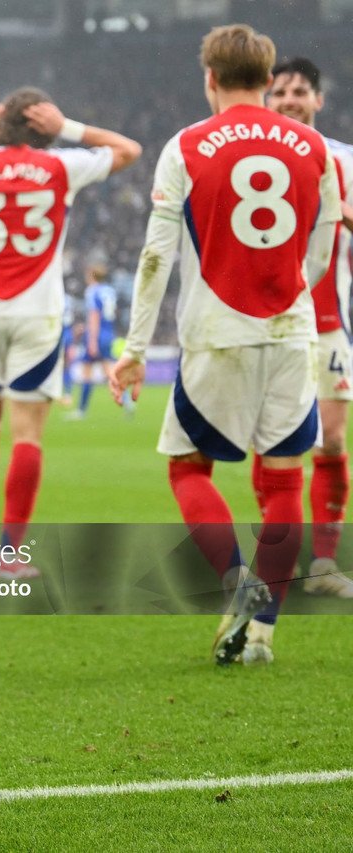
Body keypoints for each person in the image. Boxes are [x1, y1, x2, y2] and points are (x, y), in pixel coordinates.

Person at [109, 25, 341, 666]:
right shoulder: (314, 148)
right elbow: (323, 249)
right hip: (291, 332)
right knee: (283, 482)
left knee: (187, 468)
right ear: (269, 82)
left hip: (215, 335)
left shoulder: (187, 146)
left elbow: (157, 256)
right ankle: (262, 632)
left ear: (209, 79)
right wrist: (295, 289)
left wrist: (133, 349)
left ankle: (238, 584)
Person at [0, 87, 141, 574]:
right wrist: (67, 127)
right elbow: (129, 150)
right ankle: (7, 551)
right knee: (28, 433)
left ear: (1, 122)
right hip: (39, 314)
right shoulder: (61, 166)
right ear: (43, 124)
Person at [262, 56, 353, 600]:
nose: (291, 99)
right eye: (281, 92)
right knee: (274, 445)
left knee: (333, 441)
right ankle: (279, 558)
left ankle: (323, 562)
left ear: (319, 99)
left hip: (327, 324)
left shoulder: (345, 159)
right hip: (267, 323)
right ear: (267, 100)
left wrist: (342, 209)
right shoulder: (254, 156)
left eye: (300, 90)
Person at [68, 264, 117, 420]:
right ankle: (128, 402)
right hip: (109, 333)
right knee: (110, 371)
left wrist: (92, 341)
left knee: (86, 372)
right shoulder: (109, 291)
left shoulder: (92, 291)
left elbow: (94, 315)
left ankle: (81, 411)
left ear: (92, 276)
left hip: (96, 335)